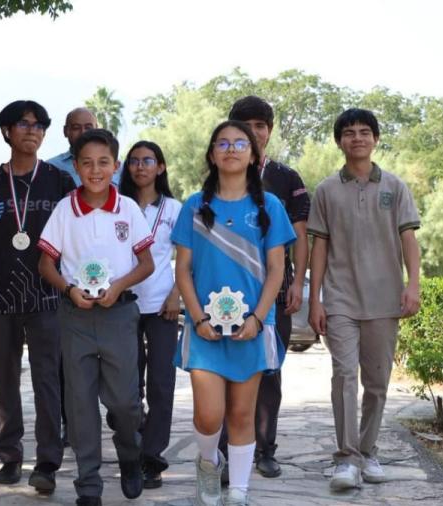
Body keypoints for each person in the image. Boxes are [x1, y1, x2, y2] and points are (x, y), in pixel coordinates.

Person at [172, 120, 295, 506]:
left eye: (240, 143)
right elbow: (182, 269)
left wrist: (258, 318)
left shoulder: (269, 206)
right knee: (209, 417)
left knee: (243, 414)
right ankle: (209, 463)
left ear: (253, 154)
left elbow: (277, 270)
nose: (231, 149)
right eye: (222, 143)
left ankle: (239, 491)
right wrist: (198, 318)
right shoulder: (195, 205)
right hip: (205, 330)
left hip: (253, 327)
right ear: (212, 154)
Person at [0, 100, 75, 493]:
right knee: (4, 377)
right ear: (7, 131)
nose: (33, 130)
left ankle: (47, 461)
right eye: (23, 124)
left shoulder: (60, 181)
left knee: (47, 378)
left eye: (40, 124)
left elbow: (75, 232)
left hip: (46, 293)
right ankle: (10, 456)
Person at [38, 128, 154, 506]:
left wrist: (118, 286)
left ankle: (130, 453)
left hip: (119, 316)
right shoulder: (64, 210)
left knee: (124, 403)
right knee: (80, 404)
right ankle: (88, 485)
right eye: (86, 163)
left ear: (116, 167)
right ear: (75, 167)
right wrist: (69, 289)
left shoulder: (129, 209)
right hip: (76, 317)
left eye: (103, 162)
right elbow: (45, 264)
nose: (95, 170)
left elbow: (147, 263)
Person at [307, 108, 421, 491]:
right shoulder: (325, 190)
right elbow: (318, 246)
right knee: (344, 375)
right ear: (340, 141)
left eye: (364, 132)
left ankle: (368, 451)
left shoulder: (395, 187)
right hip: (339, 298)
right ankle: (346, 458)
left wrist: (413, 285)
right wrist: (316, 299)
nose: (357, 138)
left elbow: (409, 239)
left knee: (377, 382)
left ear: (375, 139)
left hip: (384, 298)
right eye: (350, 132)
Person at [219, 96, 310, 479]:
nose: (255, 132)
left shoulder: (287, 179)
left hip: (275, 292)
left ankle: (265, 450)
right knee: (227, 373)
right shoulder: (220, 175)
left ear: (269, 131)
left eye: (261, 125)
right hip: (225, 295)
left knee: (270, 371)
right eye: (247, 125)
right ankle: (225, 452)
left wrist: (297, 283)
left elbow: (301, 237)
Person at [117, 141, 182, 489]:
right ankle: (132, 446)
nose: (140, 167)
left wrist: (176, 295)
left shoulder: (175, 208)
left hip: (161, 307)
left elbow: (188, 257)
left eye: (148, 161)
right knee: (125, 389)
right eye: (134, 161)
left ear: (160, 167)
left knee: (160, 384)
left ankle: (152, 458)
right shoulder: (119, 206)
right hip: (122, 305)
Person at [47, 107, 121, 186]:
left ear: (96, 129)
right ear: (65, 131)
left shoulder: (120, 169)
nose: (83, 132)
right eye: (76, 128)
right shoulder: (51, 167)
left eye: (88, 127)